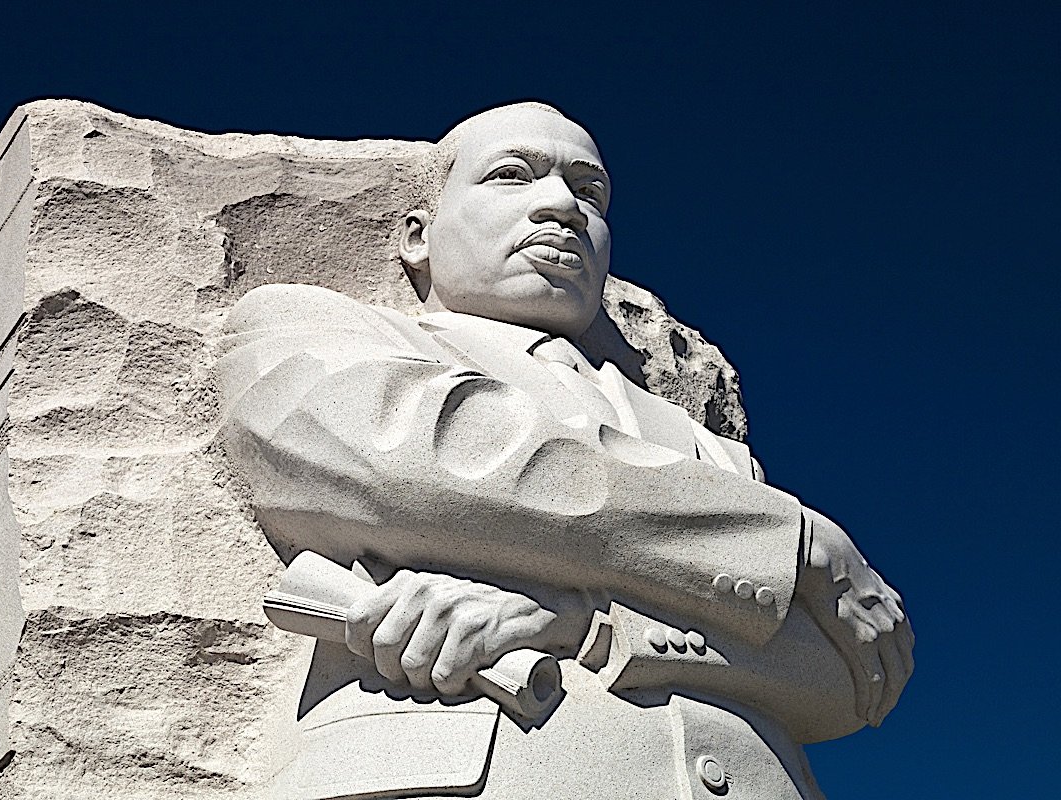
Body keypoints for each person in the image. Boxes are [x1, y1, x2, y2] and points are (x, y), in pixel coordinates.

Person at [216, 102, 913, 799]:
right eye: (512, 175)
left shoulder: (713, 452)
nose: (562, 207)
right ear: (417, 237)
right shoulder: (312, 329)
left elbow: (856, 677)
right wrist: (794, 541)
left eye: (591, 192)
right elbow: (415, 461)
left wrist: (586, 623)